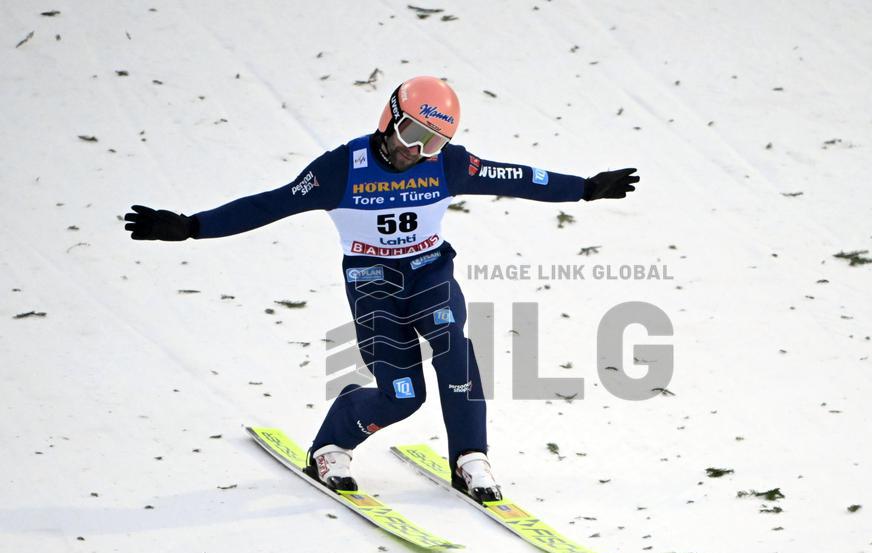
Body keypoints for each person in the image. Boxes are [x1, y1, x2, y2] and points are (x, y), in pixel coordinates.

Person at [124, 76, 638, 503]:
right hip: (374, 285)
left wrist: (585, 189)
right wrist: (192, 226)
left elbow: (517, 177)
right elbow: (270, 204)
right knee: (402, 396)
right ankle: (331, 445)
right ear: (389, 118)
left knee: (454, 349)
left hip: (430, 274)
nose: (417, 151)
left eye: (433, 143)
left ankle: (470, 456)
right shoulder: (340, 170)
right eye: (412, 133)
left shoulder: (447, 165)